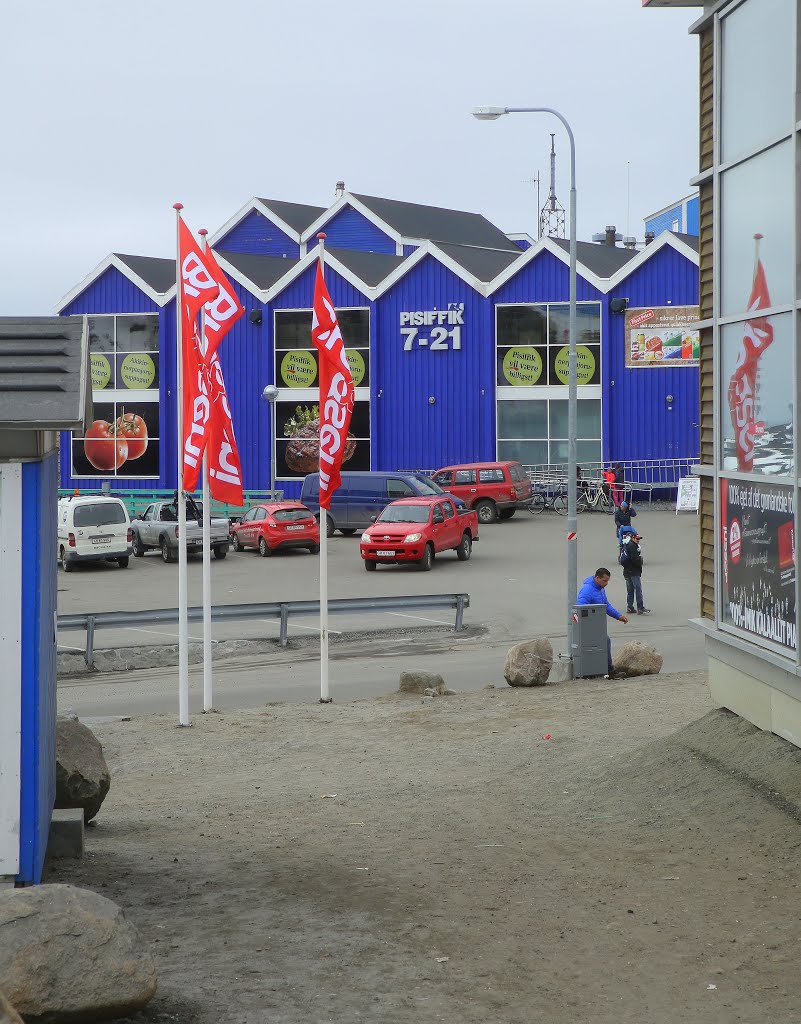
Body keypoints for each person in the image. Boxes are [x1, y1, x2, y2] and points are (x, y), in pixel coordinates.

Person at [576, 567, 629, 677]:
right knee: (605, 641)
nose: (607, 583)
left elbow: (607, 606)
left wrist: (619, 616)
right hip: (589, 625)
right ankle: (608, 670)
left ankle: (600, 670)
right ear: (597, 578)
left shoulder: (600, 589)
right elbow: (581, 608)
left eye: (608, 580)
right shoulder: (587, 590)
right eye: (605, 580)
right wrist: (589, 622)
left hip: (597, 625)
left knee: (604, 642)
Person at [618, 528, 650, 616]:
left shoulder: (626, 545)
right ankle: (640, 608)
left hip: (627, 571)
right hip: (633, 572)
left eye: (639, 539)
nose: (638, 540)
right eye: (637, 539)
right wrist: (640, 562)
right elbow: (635, 559)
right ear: (632, 538)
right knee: (638, 590)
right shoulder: (633, 546)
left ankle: (630, 607)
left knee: (630, 590)